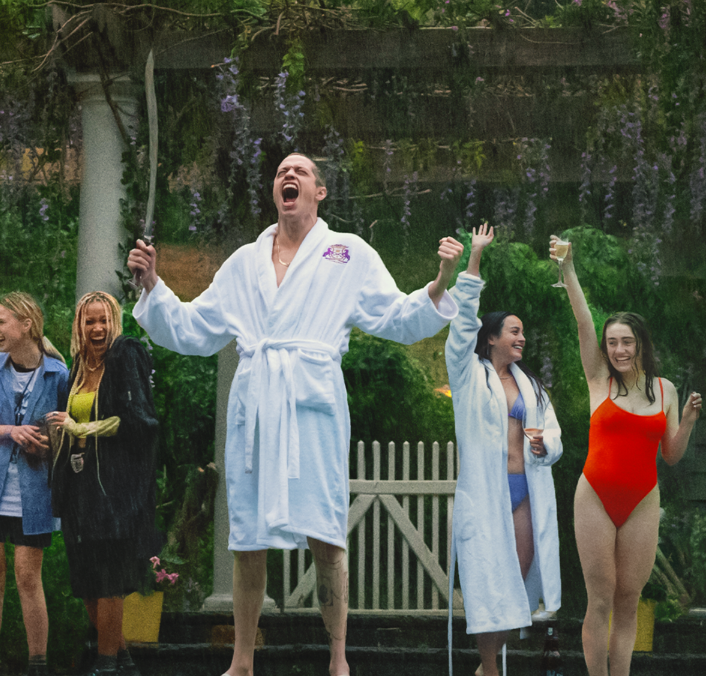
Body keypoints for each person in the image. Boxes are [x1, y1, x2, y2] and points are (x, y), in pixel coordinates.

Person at [127, 152, 464, 676]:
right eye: (282, 171)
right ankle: (242, 661)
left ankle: (338, 657)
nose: (288, 175)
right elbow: (195, 328)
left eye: (300, 171)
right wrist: (154, 284)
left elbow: (395, 315)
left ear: (319, 192)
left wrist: (440, 282)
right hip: (257, 404)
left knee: (327, 533)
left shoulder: (346, 253)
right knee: (247, 538)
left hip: (313, 404)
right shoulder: (243, 262)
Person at [552, 236, 701, 676]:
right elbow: (582, 319)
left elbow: (671, 456)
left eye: (626, 342)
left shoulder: (665, 389)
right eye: (612, 342)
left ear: (640, 344)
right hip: (595, 495)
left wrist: (689, 419)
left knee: (628, 599)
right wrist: (568, 269)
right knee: (600, 598)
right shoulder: (598, 378)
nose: (618, 350)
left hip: (643, 501)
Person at [446, 225, 562, 676]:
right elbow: (460, 326)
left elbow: (554, 435)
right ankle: (489, 667)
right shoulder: (468, 373)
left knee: (516, 576)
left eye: (523, 333)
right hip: (487, 490)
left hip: (525, 490)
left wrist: (543, 443)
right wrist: (474, 259)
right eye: (514, 331)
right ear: (490, 336)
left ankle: (490, 666)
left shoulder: (531, 385)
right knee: (488, 579)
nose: (522, 338)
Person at [0, 292, 69, 676]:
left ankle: (38, 664)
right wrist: (12, 431)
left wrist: (49, 443)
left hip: (34, 491)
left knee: (26, 576)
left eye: (2, 322)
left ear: (27, 325)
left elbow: (70, 433)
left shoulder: (59, 374)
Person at [47, 291, 160, 675]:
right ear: (79, 326)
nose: (97, 328)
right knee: (86, 579)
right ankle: (124, 660)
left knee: (110, 577)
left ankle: (106, 662)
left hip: (113, 490)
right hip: (78, 488)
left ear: (115, 322)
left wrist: (79, 426)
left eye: (103, 320)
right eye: (89, 321)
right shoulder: (77, 369)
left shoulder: (124, 360)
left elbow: (134, 421)